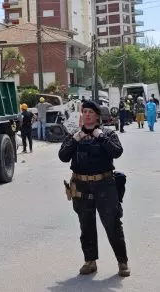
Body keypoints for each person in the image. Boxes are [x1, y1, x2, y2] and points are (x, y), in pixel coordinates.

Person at [58, 100, 129, 277]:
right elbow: (63, 156)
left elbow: (117, 152)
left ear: (97, 115)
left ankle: (122, 262)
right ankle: (90, 261)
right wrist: (75, 139)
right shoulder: (74, 135)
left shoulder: (107, 133)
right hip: (81, 186)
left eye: (91, 112)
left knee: (113, 224)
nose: (87, 114)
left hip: (104, 184)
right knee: (86, 224)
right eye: (85, 112)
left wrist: (100, 136)